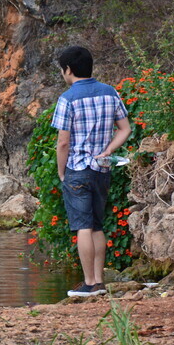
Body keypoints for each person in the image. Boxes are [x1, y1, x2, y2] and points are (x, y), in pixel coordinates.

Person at [51, 46, 132, 297]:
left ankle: (88, 283)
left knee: (82, 226)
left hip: (77, 168)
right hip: (101, 169)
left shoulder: (67, 99)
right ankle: (98, 282)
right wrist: (107, 151)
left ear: (68, 70)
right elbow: (125, 129)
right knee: (97, 225)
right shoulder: (110, 92)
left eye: (62, 70)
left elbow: (63, 142)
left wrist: (62, 173)